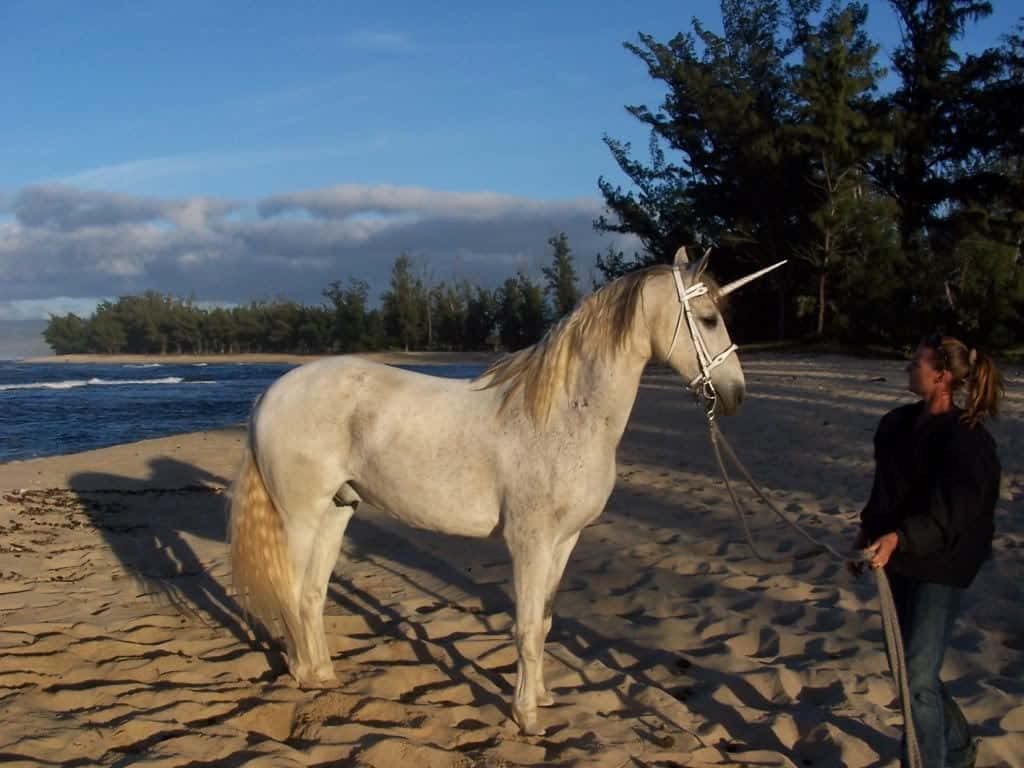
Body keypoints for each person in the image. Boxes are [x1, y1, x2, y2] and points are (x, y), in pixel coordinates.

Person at [855, 333, 1003, 768]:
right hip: (897, 560)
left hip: (943, 564)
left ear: (941, 376)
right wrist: (865, 535)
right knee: (913, 671)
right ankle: (958, 745)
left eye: (917, 361)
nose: (908, 366)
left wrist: (900, 537)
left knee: (917, 676)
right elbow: (885, 495)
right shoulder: (895, 425)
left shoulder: (970, 441)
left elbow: (955, 515)